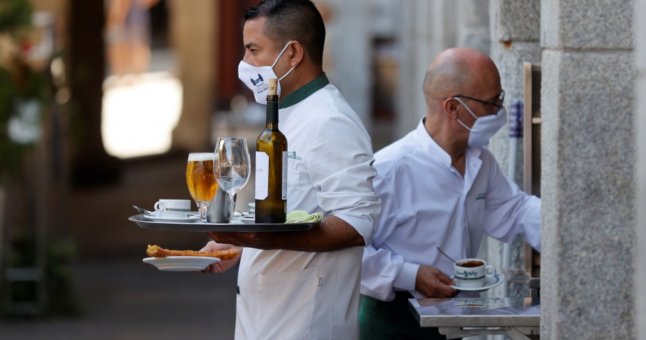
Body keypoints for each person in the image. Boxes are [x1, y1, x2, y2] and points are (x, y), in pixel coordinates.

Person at [201, 1, 380, 339]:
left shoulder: (331, 120)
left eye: (254, 50)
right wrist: (242, 246)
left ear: (293, 53)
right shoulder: (284, 114)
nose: (246, 64)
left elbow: (357, 223)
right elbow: (294, 211)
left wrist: (262, 240)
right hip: (264, 321)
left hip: (307, 326)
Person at [359, 47, 541, 339]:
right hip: (392, 322)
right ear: (453, 107)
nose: (499, 112)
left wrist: (567, 232)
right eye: (492, 102)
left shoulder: (481, 162)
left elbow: (515, 210)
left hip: (450, 320)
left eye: (500, 100)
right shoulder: (388, 169)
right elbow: (350, 252)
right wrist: (412, 275)